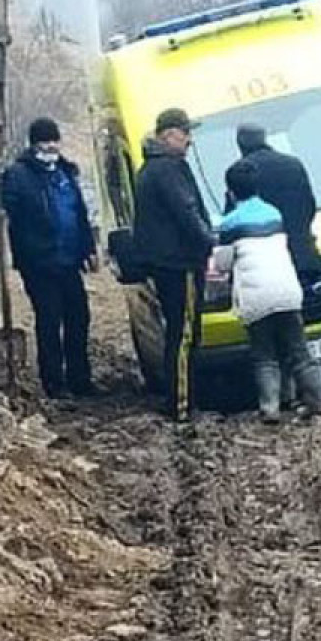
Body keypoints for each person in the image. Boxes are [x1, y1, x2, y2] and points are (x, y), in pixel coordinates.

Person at [214, 160, 321, 423]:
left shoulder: (229, 224)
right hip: (287, 291)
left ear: (230, 191)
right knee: (300, 350)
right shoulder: (274, 213)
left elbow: (222, 264)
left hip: (256, 299)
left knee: (264, 355)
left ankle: (270, 407)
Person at [0, 117, 96, 401]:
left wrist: (88, 249)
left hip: (69, 260)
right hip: (39, 263)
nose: (51, 146)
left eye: (54, 140)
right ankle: (54, 382)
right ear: (34, 144)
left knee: (79, 317)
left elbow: (79, 215)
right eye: (45, 141)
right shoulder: (18, 175)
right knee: (49, 320)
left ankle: (81, 379)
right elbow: (8, 212)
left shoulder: (65, 173)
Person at [132, 107, 216, 420]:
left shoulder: (150, 169)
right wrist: (210, 242)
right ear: (168, 135)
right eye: (186, 133)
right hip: (179, 264)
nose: (190, 141)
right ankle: (181, 405)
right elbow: (186, 211)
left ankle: (184, 400)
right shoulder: (168, 169)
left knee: (180, 332)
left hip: (167, 263)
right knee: (183, 335)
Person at [229, 124, 321, 287]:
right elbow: (309, 205)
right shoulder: (292, 163)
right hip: (306, 255)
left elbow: (234, 224)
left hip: (272, 266)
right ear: (264, 138)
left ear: (239, 144)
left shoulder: (241, 174)